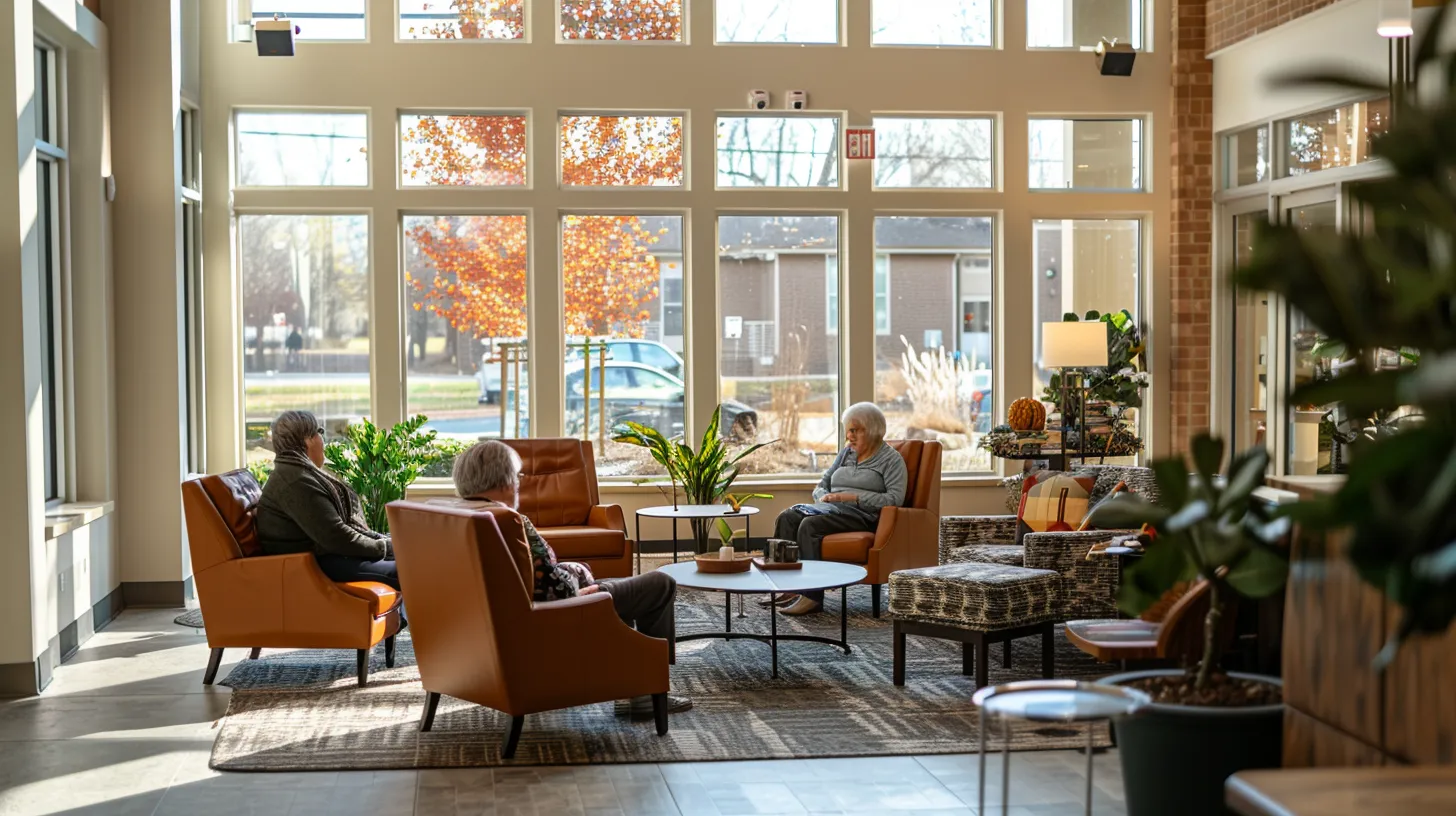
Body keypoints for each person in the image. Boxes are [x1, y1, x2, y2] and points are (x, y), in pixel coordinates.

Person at [447, 440, 692, 717]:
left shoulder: (454, 517)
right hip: (550, 618)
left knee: (619, 587)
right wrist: (582, 587)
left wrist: (575, 572)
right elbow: (556, 588)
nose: (519, 483)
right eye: (517, 476)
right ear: (503, 479)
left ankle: (632, 686)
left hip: (502, 623)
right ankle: (649, 690)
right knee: (660, 584)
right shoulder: (510, 521)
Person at [770, 402, 907, 616]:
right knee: (787, 517)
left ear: (871, 430)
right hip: (830, 508)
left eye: (855, 430)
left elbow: (895, 499)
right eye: (848, 431)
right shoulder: (846, 454)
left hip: (862, 516)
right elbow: (822, 483)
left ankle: (812, 597)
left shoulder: (891, 460)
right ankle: (788, 588)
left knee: (810, 525)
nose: (849, 436)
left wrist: (851, 497)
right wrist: (821, 498)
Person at [255, 410, 401, 597]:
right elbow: (338, 537)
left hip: (321, 558)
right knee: (406, 569)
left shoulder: (296, 473)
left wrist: (390, 543)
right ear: (307, 439)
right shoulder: (295, 482)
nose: (323, 440)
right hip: (313, 566)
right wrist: (388, 547)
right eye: (320, 432)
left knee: (408, 559)